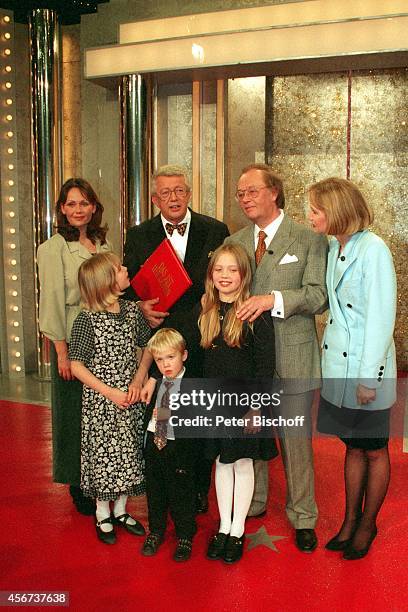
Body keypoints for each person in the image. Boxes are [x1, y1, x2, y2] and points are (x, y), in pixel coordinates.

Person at [226, 163, 328, 553]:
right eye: (240, 193)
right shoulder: (235, 241)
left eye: (252, 191)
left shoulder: (307, 239)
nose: (245, 199)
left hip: (293, 358)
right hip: (249, 360)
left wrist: (273, 301)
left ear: (274, 192)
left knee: (295, 442)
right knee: (254, 432)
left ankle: (303, 516)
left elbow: (318, 296)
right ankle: (254, 501)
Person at [124, 164, 229, 512]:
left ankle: (198, 490)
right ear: (155, 198)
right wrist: (141, 307)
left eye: (179, 190)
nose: (173, 198)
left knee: (198, 423)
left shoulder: (216, 230)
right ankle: (164, 492)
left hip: (202, 345)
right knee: (161, 421)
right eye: (165, 193)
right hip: (160, 346)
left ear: (188, 193)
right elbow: (127, 294)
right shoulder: (138, 235)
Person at [308, 177, 397, 560]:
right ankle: (349, 519)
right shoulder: (335, 245)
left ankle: (368, 522)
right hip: (337, 368)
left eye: (315, 210)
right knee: (352, 446)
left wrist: (368, 379)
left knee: (374, 449)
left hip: (364, 370)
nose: (310, 216)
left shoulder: (374, 250)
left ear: (337, 212)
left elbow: (380, 318)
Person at [189, 244, 278, 563]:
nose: (225, 276)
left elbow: (264, 368)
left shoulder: (255, 315)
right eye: (218, 270)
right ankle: (223, 525)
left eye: (232, 270)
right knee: (222, 463)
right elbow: (199, 364)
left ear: (244, 274)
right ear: (210, 275)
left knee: (242, 463)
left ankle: (238, 529)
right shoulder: (206, 312)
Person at [37, 178, 111, 515]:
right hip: (73, 338)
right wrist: (62, 353)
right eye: (71, 204)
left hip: (105, 341)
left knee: (100, 416)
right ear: (62, 210)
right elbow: (51, 302)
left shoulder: (103, 243)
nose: (78, 209)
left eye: (84, 203)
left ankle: (101, 478)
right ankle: (78, 483)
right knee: (73, 416)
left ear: (94, 207)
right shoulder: (53, 248)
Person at [68, 252, 151, 545]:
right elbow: (76, 363)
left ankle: (121, 510)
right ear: (105, 281)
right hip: (102, 404)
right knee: (104, 459)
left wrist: (138, 379)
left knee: (128, 453)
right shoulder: (86, 320)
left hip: (129, 399)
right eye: (118, 269)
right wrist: (109, 392)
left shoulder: (132, 311)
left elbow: (147, 347)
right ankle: (102, 512)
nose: (126, 269)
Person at [141, 328, 197, 562]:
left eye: (170, 357)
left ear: (183, 355)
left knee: (181, 493)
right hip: (155, 444)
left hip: (179, 448)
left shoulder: (193, 385)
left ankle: (185, 533)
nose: (165, 364)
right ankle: (156, 530)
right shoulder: (157, 384)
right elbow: (150, 416)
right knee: (155, 491)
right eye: (159, 359)